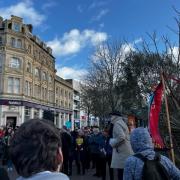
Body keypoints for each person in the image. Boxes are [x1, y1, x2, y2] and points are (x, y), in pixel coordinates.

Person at [109, 111, 133, 180]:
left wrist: (112, 142)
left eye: (111, 116)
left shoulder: (117, 124)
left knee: (121, 173)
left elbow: (121, 137)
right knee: (123, 173)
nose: (110, 118)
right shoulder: (121, 122)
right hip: (125, 150)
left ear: (115, 116)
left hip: (121, 152)